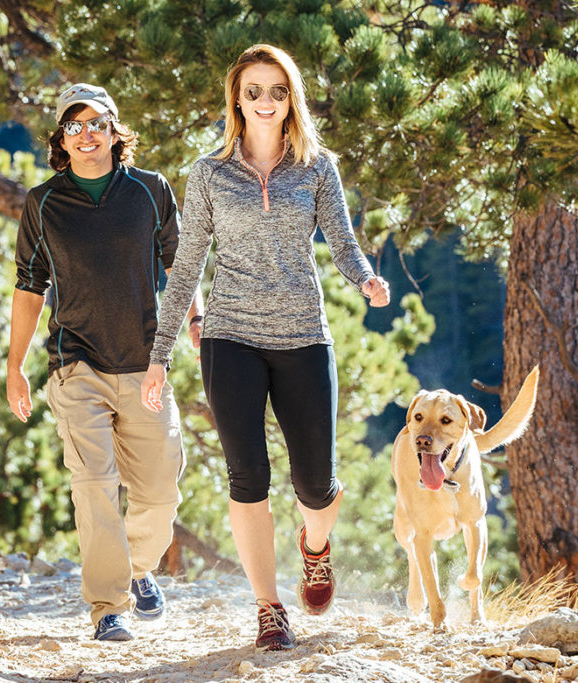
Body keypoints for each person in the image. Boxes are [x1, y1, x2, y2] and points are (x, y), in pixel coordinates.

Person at [140, 45, 390, 652]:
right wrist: (160, 353)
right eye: (254, 90)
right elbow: (187, 266)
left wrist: (364, 279)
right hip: (230, 340)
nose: (265, 101)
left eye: (277, 91)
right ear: (237, 99)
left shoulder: (317, 168)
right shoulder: (209, 173)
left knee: (316, 485)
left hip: (304, 335)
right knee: (248, 476)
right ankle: (269, 608)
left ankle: (315, 547)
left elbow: (343, 243)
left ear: (290, 99)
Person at [7, 83, 203, 642]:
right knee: (93, 485)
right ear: (61, 141)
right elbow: (28, 285)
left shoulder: (149, 191)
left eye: (97, 123)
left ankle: (138, 570)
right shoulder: (42, 202)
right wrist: (14, 365)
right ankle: (107, 606)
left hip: (147, 363)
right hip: (76, 364)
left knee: (161, 492)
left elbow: (182, 262)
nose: (87, 133)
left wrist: (195, 320)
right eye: (75, 126)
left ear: (117, 133)